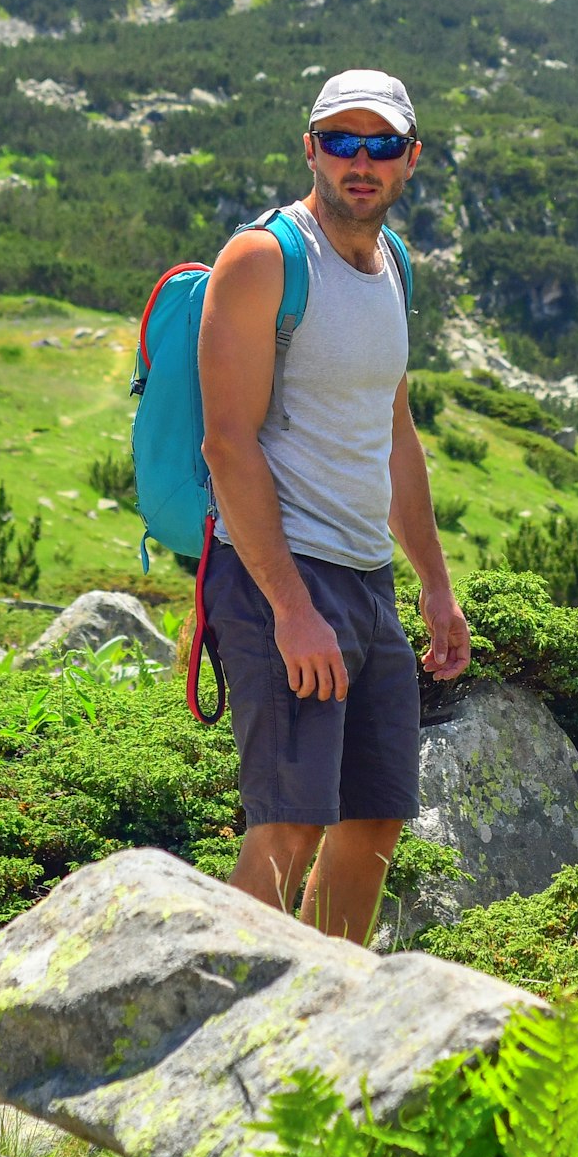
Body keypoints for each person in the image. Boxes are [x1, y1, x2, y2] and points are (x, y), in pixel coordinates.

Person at [196, 66, 470, 942]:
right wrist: (290, 609)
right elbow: (227, 443)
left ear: (409, 160)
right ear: (310, 147)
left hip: (367, 579)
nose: (362, 160)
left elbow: (396, 430)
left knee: (374, 821)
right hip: (277, 573)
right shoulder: (265, 258)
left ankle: (325, 1024)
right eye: (343, 141)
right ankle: (212, 1022)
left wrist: (434, 585)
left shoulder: (393, 267)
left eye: (381, 144)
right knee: (289, 824)